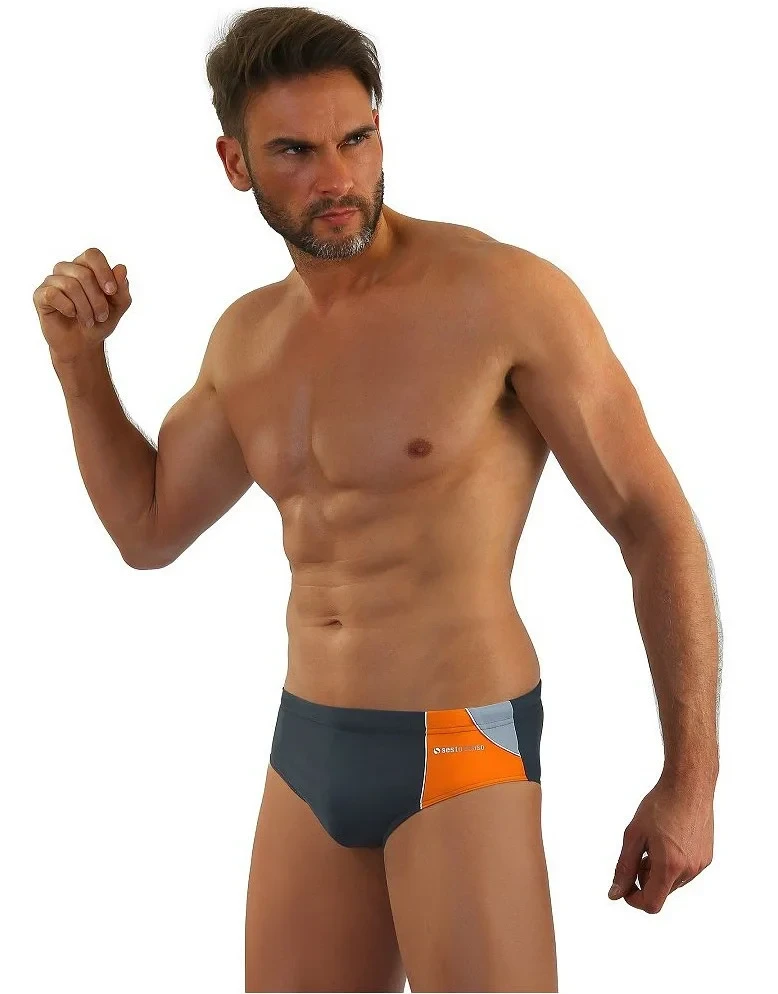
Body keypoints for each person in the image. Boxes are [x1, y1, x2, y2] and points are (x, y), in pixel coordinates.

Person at [33, 7, 721, 993]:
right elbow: (147, 530)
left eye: (355, 139)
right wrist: (78, 365)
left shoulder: (504, 297)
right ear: (235, 163)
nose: (337, 178)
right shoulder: (247, 339)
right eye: (296, 152)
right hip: (306, 744)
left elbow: (655, 525)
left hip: (461, 742)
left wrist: (690, 780)